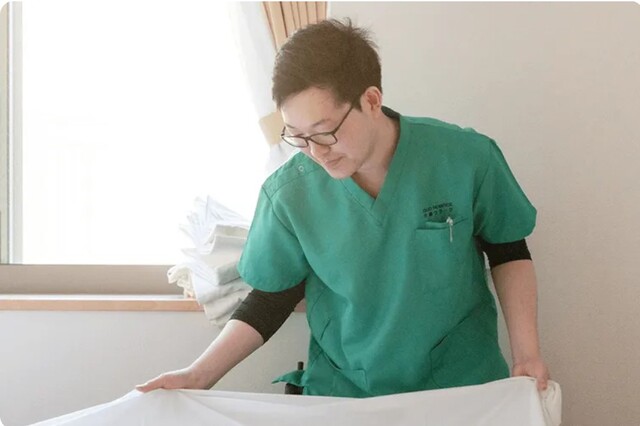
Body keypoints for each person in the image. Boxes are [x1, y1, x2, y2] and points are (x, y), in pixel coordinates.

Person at [137, 18, 550, 397]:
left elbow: (508, 249)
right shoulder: (289, 193)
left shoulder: (465, 159)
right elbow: (272, 298)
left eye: (325, 132)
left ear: (371, 99)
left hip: (461, 384)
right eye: (297, 136)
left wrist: (527, 354)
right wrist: (198, 375)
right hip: (347, 392)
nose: (316, 152)